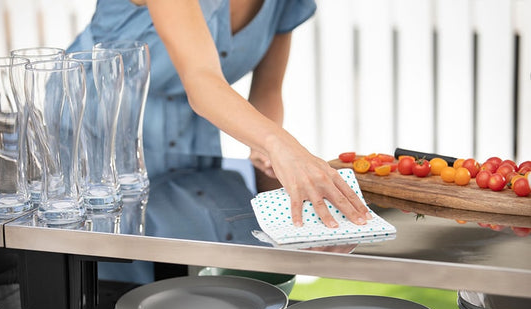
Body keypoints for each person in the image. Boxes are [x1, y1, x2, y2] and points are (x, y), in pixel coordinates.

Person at [68, 0, 371, 283]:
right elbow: (201, 78)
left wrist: (266, 152)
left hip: (192, 142)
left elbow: (268, 90)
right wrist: (282, 147)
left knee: (185, 287)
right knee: (111, 285)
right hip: (97, 137)